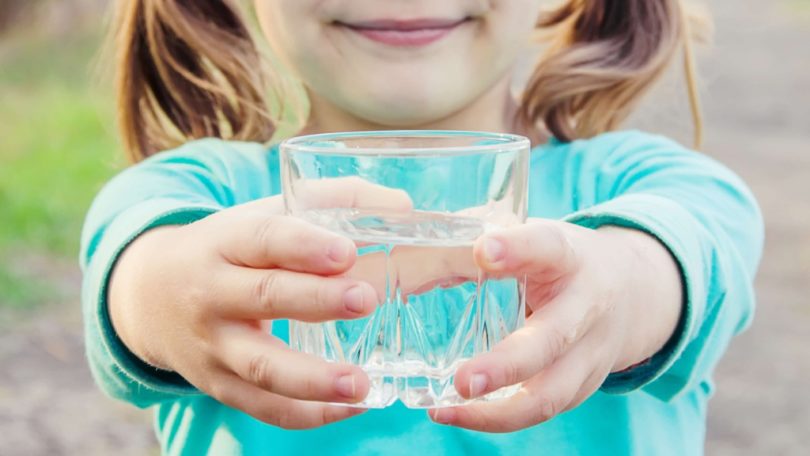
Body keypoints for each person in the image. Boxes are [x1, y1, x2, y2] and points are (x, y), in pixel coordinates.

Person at [81, 0, 763, 454]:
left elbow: (687, 257)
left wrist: (621, 282)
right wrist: (165, 291)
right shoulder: (199, 195)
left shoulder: (650, 185)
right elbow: (135, 267)